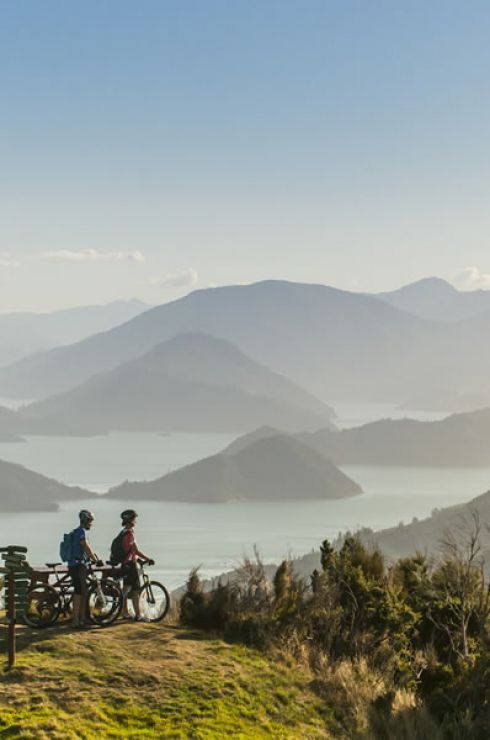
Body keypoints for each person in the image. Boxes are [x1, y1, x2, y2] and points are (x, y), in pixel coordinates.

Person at [118, 509, 154, 621]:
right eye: (134, 519)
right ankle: (138, 615)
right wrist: (148, 558)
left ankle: (124, 612)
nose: (135, 521)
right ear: (129, 520)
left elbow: (129, 550)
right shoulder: (130, 533)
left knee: (125, 589)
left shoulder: (123, 532)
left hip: (125, 564)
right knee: (135, 591)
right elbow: (135, 551)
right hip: (131, 565)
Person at [68, 509, 100, 628]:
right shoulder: (81, 532)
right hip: (79, 565)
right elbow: (85, 546)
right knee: (79, 592)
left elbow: (85, 548)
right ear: (85, 520)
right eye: (90, 521)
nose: (91, 524)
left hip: (74, 564)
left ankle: (82, 618)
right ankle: (76, 620)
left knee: (82, 591)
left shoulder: (76, 531)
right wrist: (95, 559)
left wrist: (92, 556)